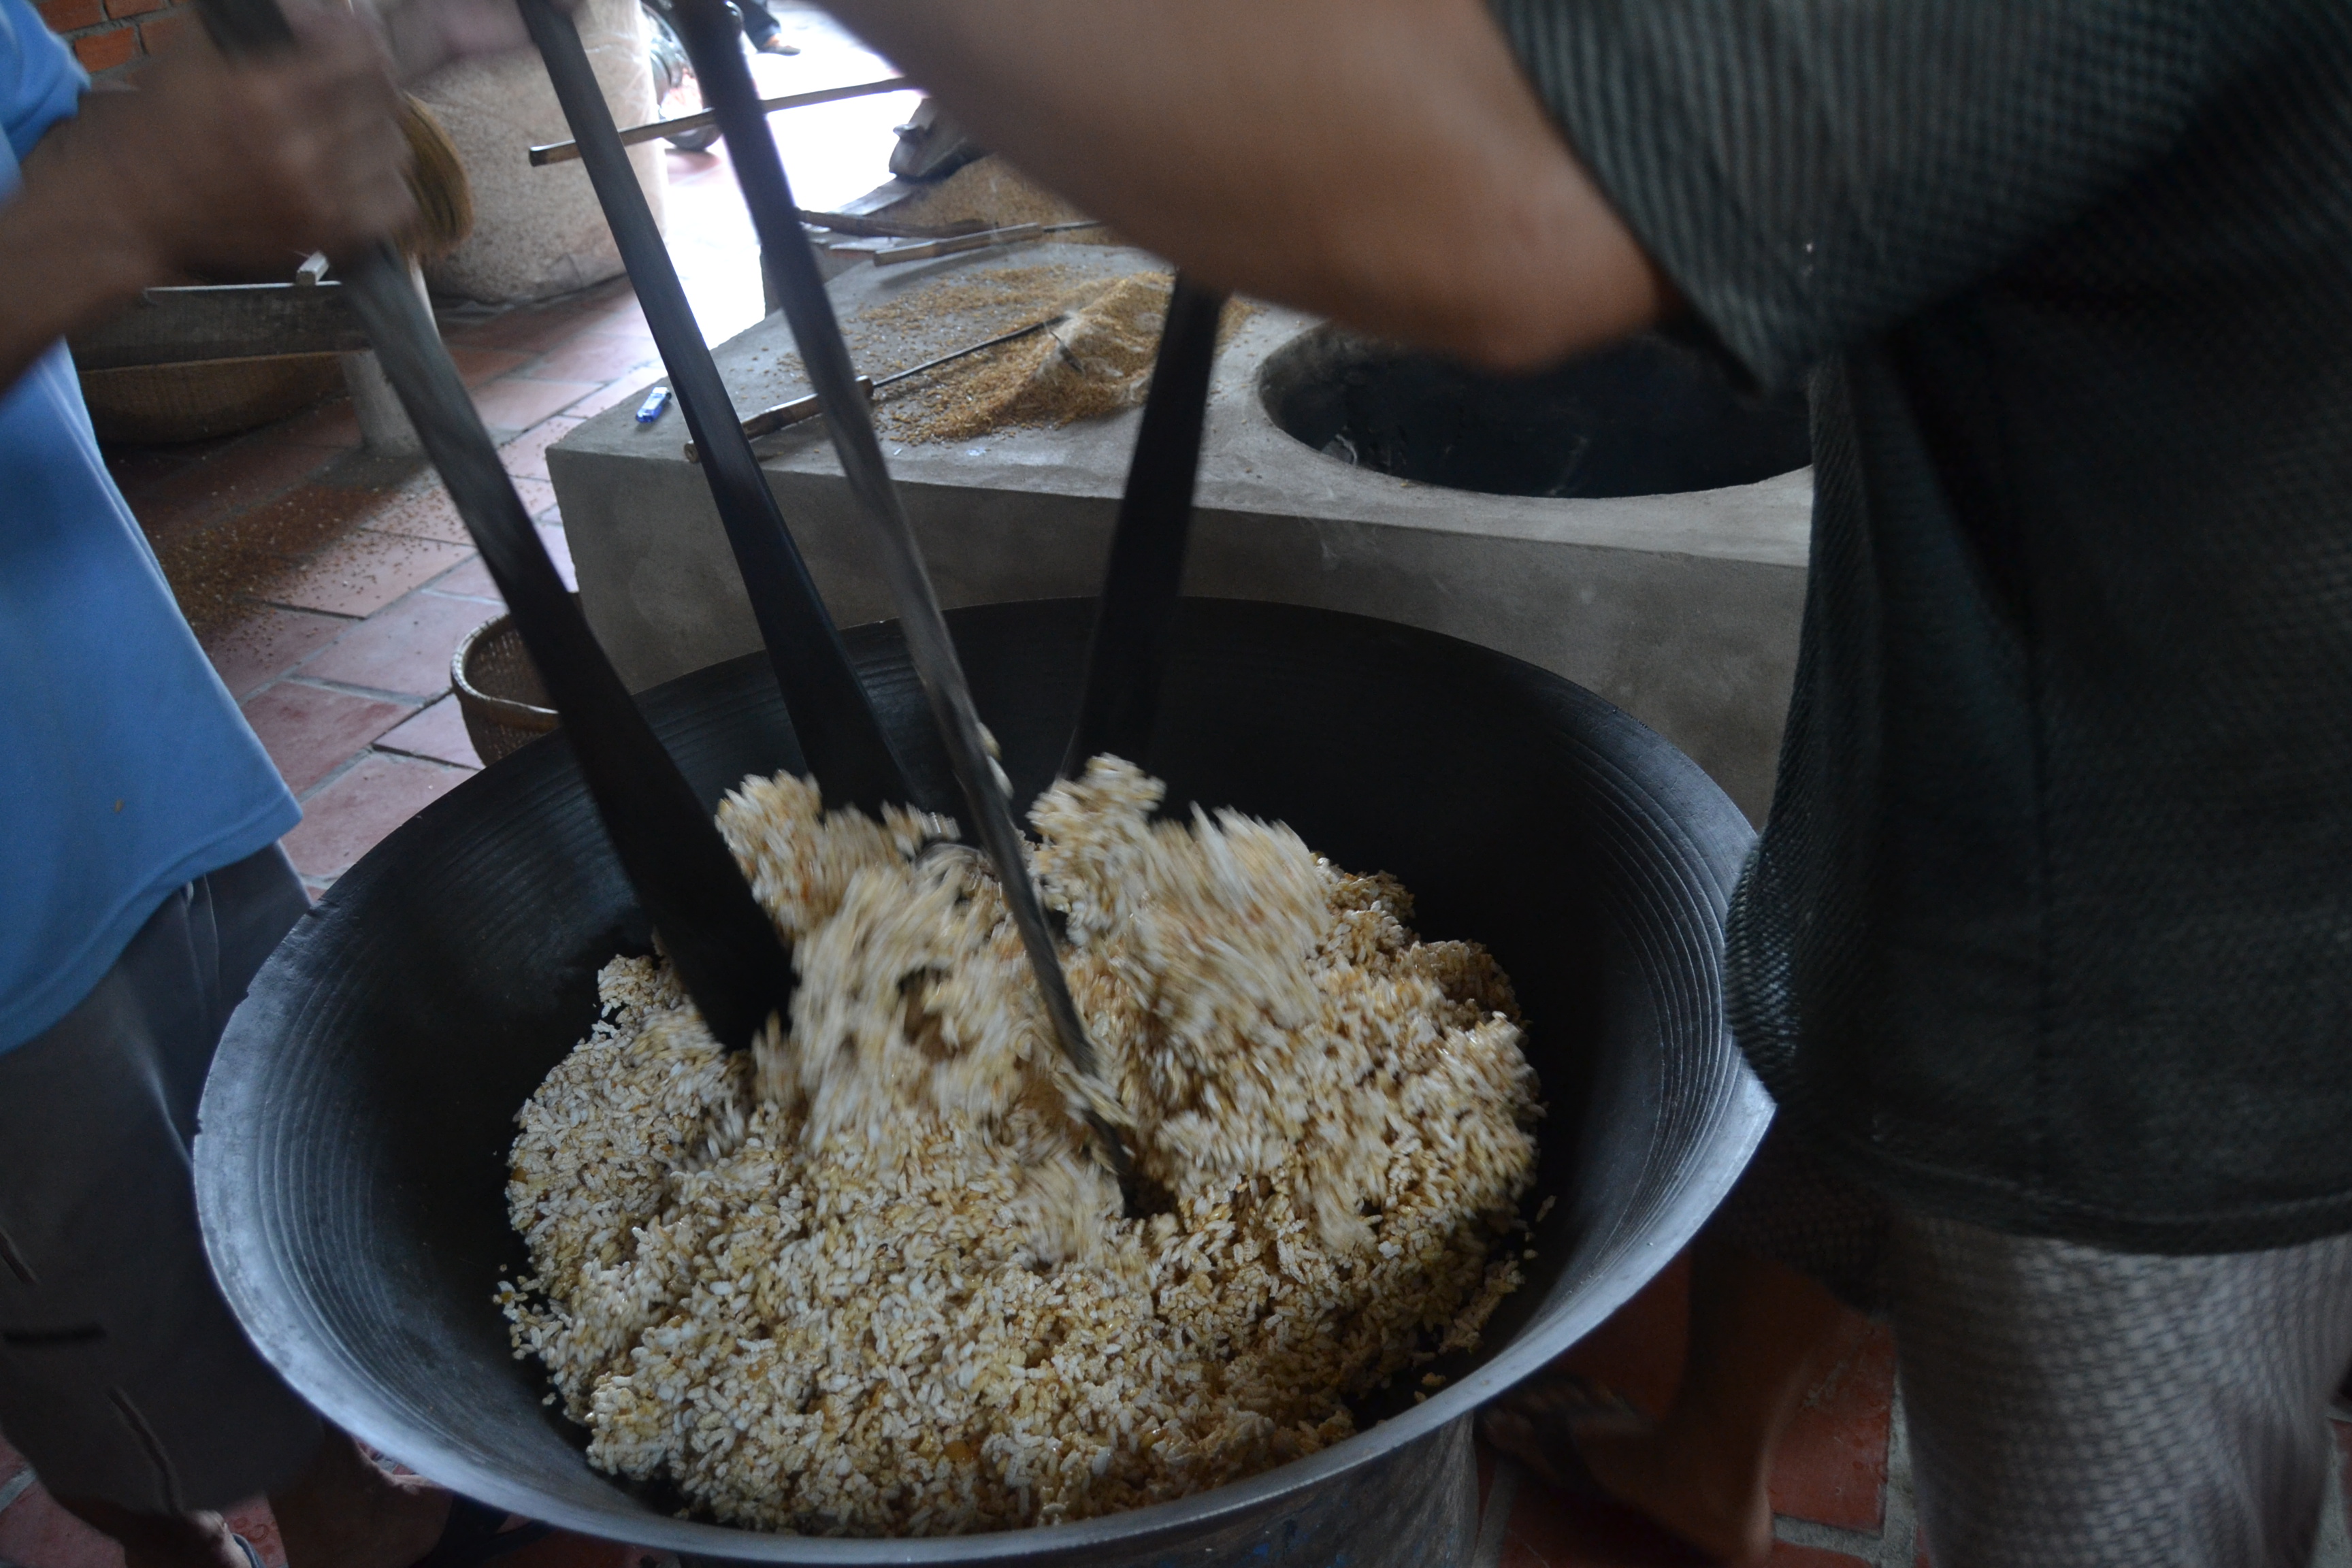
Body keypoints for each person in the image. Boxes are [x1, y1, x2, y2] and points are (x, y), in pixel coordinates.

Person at [801, 1, 2352, 1563]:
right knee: (1819, 1087)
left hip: (2196, 973)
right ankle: (1708, 1459)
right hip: (2004, 723)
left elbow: (1506, 201)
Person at [0, 3, 564, 1566]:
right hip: (7, 912)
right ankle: (173, 1544)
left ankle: (341, 1510)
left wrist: (251, 128)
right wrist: (128, 200)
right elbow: (86, 204)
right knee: (96, 1318)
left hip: (126, 722)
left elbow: (43, 146)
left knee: (270, 1165)